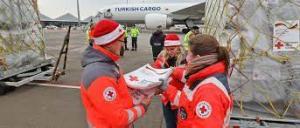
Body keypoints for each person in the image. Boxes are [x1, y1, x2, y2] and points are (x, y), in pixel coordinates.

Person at [80, 19, 152, 128]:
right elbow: (118, 119)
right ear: (109, 43)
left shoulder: (107, 64)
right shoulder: (100, 76)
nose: (123, 45)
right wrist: (143, 107)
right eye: (121, 41)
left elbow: (118, 91)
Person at [162, 34, 233, 128]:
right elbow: (189, 102)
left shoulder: (209, 91)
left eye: (189, 54)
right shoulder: (203, 76)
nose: (186, 58)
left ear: (198, 58)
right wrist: (166, 88)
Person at [152, 33, 186, 128]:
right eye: (167, 49)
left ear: (178, 47)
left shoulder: (185, 59)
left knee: (181, 125)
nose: (169, 52)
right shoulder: (162, 58)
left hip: (180, 98)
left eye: (172, 49)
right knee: (170, 125)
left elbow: (187, 78)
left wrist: (173, 71)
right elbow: (155, 71)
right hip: (166, 99)